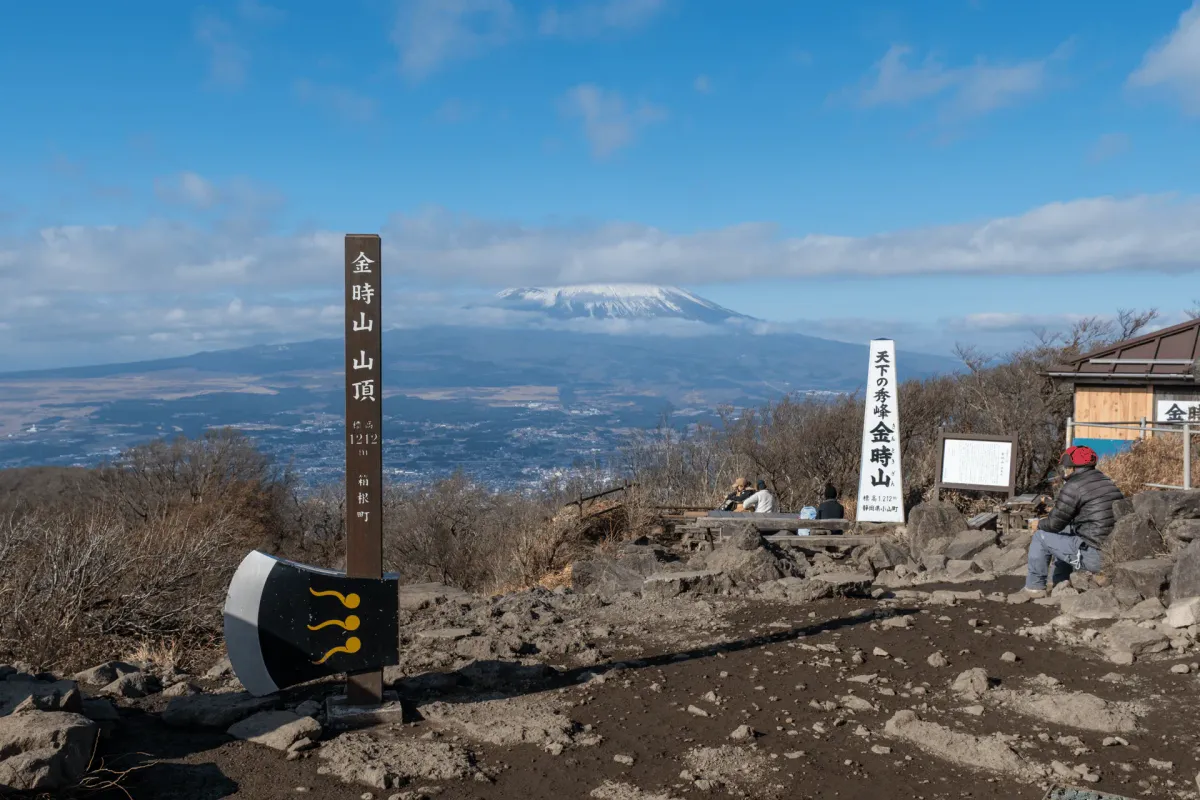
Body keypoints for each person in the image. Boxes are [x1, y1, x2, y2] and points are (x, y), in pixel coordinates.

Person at [1022, 445, 1123, 598]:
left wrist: (1038, 524)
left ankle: (1034, 588)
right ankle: (1060, 583)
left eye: (1066, 467)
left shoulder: (1073, 485)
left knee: (1041, 536)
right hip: (1113, 552)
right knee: (1065, 531)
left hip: (1094, 556)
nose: (1064, 470)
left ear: (1072, 468)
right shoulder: (1106, 482)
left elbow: (1053, 524)